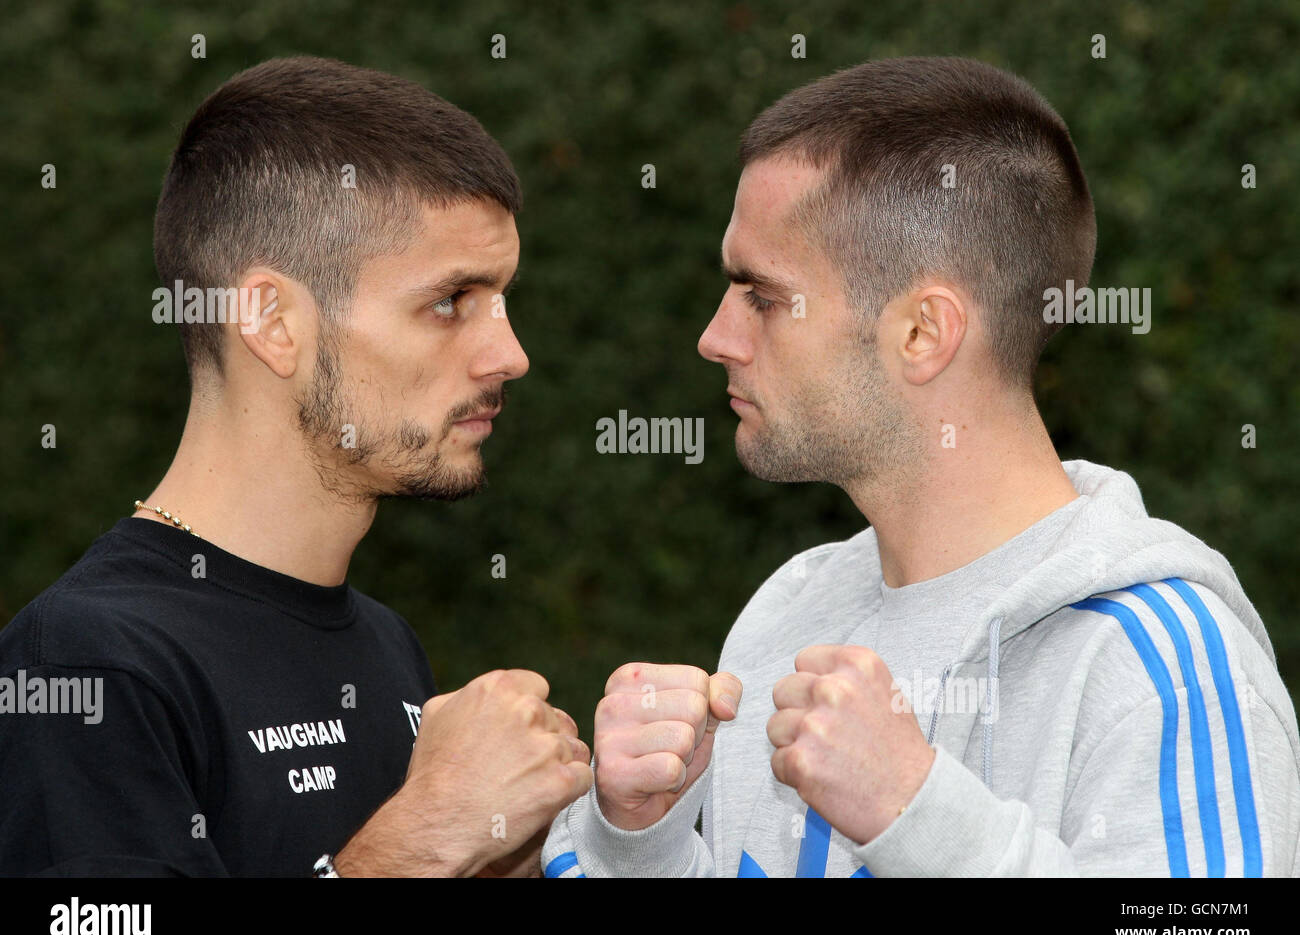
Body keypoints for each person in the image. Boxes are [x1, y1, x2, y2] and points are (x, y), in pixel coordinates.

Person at [542, 57, 1300, 877]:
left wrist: (920, 814)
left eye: (760, 295)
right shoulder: (785, 616)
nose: (715, 337)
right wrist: (638, 844)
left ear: (922, 334)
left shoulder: (1161, 665)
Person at [0, 56, 592, 877]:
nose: (510, 354)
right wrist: (427, 836)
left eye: (503, 299)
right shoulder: (87, 663)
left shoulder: (387, 643)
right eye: (451, 301)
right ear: (272, 321)